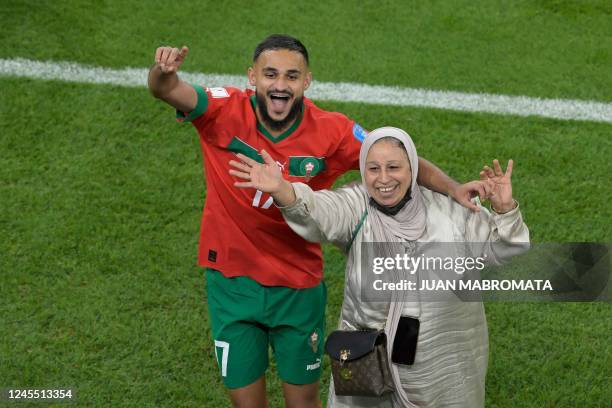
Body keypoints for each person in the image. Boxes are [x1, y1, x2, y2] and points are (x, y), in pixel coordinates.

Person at [149, 34, 485, 407]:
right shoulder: (222, 109)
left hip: (298, 286)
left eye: (291, 76)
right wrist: (162, 73)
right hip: (232, 285)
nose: (280, 85)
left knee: (303, 403)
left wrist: (452, 188)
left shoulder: (332, 130)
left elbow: (397, 157)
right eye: (271, 74)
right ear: (252, 77)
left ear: (306, 81)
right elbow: (169, 90)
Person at [229, 126, 530, 407]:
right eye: (373, 169)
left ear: (413, 168)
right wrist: (284, 190)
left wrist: (505, 209)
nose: (383, 179)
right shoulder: (357, 206)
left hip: (441, 363)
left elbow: (505, 249)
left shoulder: (451, 212)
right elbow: (319, 210)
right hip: (366, 362)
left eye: (394, 167)